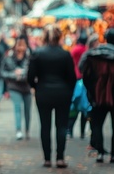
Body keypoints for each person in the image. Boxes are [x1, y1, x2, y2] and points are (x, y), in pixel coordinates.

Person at [27, 24, 77, 168]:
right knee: (61, 126)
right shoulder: (65, 54)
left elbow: (30, 76)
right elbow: (72, 77)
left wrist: (36, 87)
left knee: (45, 125)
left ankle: (47, 159)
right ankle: (60, 158)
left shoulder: (38, 53)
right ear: (59, 37)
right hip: (63, 93)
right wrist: (68, 90)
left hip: (43, 93)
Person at [80, 29, 114, 163]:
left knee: (97, 124)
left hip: (98, 96)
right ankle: (113, 154)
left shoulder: (93, 54)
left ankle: (100, 152)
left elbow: (84, 71)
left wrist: (92, 91)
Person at [0, 35, 32, 140]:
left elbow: (34, 72)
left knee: (28, 109)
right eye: (19, 45)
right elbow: (2, 72)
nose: (21, 47)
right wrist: (13, 75)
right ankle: (18, 130)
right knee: (17, 108)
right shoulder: (8, 57)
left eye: (23, 45)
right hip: (14, 86)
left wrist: (23, 74)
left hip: (27, 86)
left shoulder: (30, 57)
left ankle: (27, 130)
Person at [67, 32, 89, 138]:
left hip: (76, 78)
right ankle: (82, 132)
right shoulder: (87, 50)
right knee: (84, 105)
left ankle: (69, 130)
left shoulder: (75, 49)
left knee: (74, 105)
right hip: (84, 79)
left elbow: (70, 60)